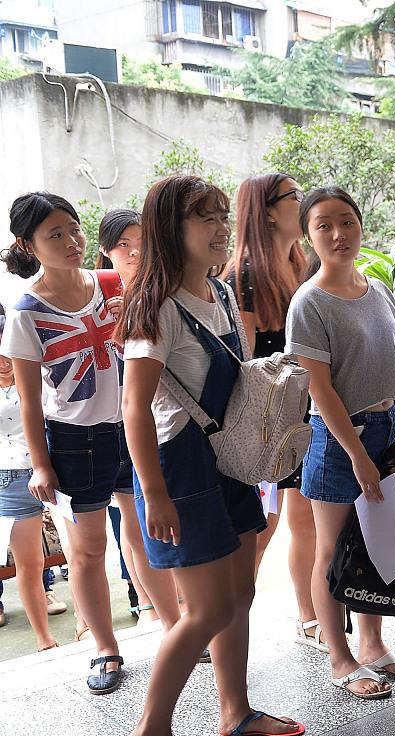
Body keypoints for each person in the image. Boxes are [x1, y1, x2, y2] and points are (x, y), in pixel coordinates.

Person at [120, 175, 303, 736]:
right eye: (205, 217)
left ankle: (235, 713)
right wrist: (154, 495)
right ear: (169, 229)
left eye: (223, 215)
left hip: (229, 458)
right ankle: (152, 727)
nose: (221, 228)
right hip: (180, 468)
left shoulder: (221, 292)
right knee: (207, 610)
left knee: (240, 595)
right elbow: (133, 407)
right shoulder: (157, 308)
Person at [286, 186, 395, 700]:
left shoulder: (377, 288)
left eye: (346, 221)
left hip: (386, 430)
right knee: (333, 550)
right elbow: (319, 389)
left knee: (374, 542)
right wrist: (359, 457)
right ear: (308, 237)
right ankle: (340, 658)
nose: (338, 234)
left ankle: (373, 645)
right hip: (338, 440)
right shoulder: (309, 302)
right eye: (323, 225)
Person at [0, 192, 126, 694]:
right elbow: (30, 402)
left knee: (152, 533)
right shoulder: (26, 311)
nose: (73, 241)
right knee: (89, 550)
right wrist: (41, 464)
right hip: (76, 440)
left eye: (74, 229)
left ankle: (176, 625)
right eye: (56, 234)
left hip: (135, 426)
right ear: (27, 245)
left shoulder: (111, 283)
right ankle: (105, 648)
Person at [223, 173, 321, 650]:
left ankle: (309, 617)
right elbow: (241, 362)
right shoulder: (243, 275)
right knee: (261, 528)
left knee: (305, 520)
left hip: (304, 413)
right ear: (265, 211)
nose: (302, 203)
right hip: (264, 421)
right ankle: (222, 622)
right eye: (294, 197)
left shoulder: (302, 265)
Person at [96, 208, 184, 631]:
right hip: (116, 422)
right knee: (133, 523)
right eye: (123, 245)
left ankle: (177, 610)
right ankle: (163, 614)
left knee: (160, 520)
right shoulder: (97, 297)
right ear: (106, 251)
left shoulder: (162, 293)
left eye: (140, 242)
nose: (134, 252)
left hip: (162, 423)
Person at [0, 303, 60, 651]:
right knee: (30, 563)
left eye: (7, 352)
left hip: (57, 467)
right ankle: (44, 639)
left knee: (81, 551)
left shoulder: (37, 375)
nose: (4, 362)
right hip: (10, 476)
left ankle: (85, 626)